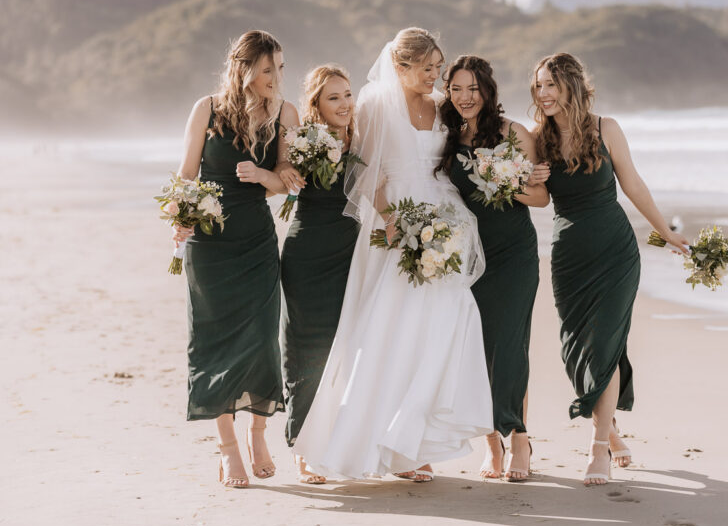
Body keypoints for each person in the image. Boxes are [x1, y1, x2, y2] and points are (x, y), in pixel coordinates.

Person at [291, 28, 492, 482]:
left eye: (438, 66)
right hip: (394, 221)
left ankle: (410, 442)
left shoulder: (443, 104)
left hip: (443, 221)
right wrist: (388, 218)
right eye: (428, 68)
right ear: (401, 67)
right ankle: (362, 439)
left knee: (439, 327)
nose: (436, 75)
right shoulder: (374, 104)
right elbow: (363, 171)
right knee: (385, 330)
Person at [532, 53, 688, 486]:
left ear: (572, 86)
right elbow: (540, 199)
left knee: (605, 343)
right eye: (538, 86)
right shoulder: (536, 138)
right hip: (569, 255)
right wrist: (530, 177)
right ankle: (612, 429)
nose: (542, 94)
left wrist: (666, 233)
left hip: (616, 251)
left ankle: (598, 446)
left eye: (550, 85)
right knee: (576, 349)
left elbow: (633, 183)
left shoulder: (607, 129)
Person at [172, 30, 296, 488]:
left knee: (264, 337)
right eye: (268, 69)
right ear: (244, 68)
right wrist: (178, 217)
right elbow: (186, 177)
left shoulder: (285, 113)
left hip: (255, 241)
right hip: (210, 245)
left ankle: (258, 434)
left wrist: (265, 173)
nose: (276, 77)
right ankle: (228, 451)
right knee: (214, 341)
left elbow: (289, 180)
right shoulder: (206, 109)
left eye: (280, 68)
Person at [436, 55, 549, 481]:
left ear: (487, 90)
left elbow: (541, 199)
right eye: (457, 89)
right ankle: (491, 443)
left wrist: (503, 181)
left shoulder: (513, 133)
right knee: (476, 348)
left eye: (473, 89)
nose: (465, 98)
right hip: (468, 256)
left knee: (510, 344)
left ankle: (519, 436)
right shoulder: (446, 138)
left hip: (514, 253)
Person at [277, 65, 359, 484]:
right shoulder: (302, 138)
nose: (344, 104)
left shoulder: (364, 137)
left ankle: (345, 443)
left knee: (348, 349)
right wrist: (279, 176)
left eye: (347, 94)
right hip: (307, 252)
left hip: (352, 253)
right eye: (334, 98)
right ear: (316, 104)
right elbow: (281, 179)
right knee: (305, 345)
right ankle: (302, 445)